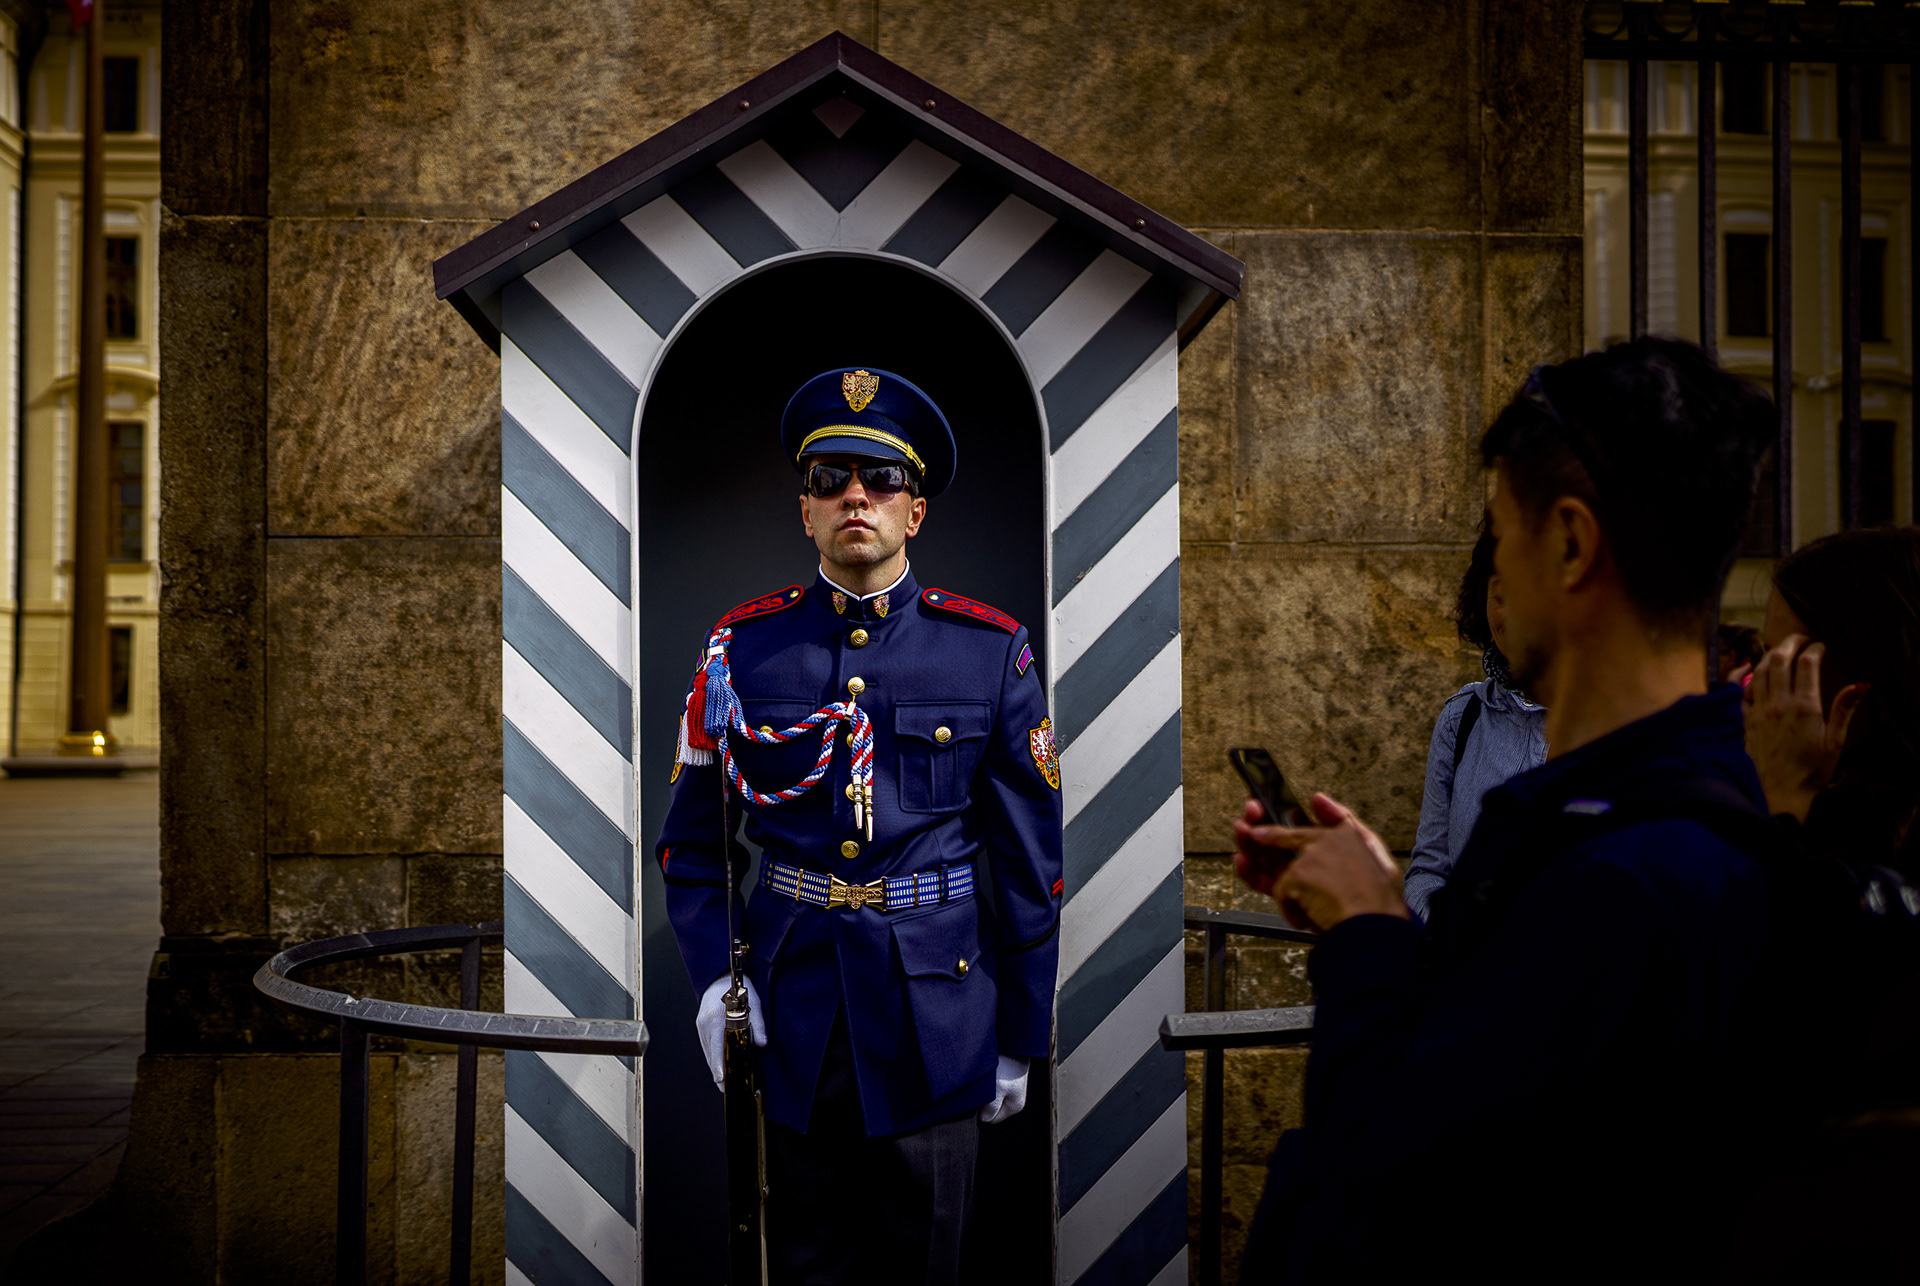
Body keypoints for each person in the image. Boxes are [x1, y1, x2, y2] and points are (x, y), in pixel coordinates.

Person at [1232, 337, 1778, 1283]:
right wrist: (1382, 905)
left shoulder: (1617, 880)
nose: (1494, 581)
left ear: (1569, 543)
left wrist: (1365, 932)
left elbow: (1404, 1185)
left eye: (1501, 529)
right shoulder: (1673, 817)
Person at [654, 367, 1063, 1285]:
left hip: (941, 1018)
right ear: (805, 509)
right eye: (831, 477)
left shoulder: (988, 651)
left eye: (881, 481)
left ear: (913, 512)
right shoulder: (741, 651)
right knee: (806, 1267)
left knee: (925, 1269)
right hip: (796, 1017)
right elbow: (692, 846)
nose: (855, 497)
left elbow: (1033, 864)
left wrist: (1019, 1034)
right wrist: (718, 980)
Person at [1719, 527, 1920, 1282]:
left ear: (1852, 681)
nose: (1751, 685)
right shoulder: (1842, 805)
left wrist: (1781, 807)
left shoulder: (1834, 821)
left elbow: (1778, 1000)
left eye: (1781, 661)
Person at [1404, 523, 1548, 920]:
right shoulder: (1462, 717)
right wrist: (1454, 937)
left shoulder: (1619, 723)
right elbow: (1429, 870)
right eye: (1501, 596)